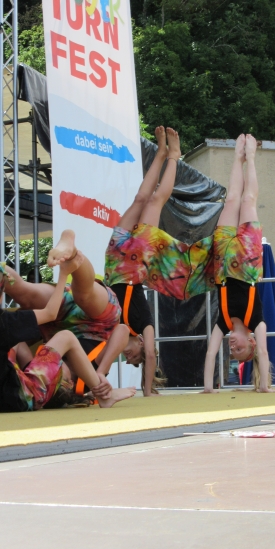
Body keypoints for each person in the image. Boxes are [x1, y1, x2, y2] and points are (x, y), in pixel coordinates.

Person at [104, 127, 214, 396]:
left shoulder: (114, 331)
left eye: (127, 358)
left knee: (140, 199)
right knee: (155, 201)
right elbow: (152, 356)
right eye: (133, 356)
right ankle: (173, 155)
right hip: (137, 262)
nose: (127, 356)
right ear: (142, 345)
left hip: (114, 261)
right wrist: (147, 388)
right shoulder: (144, 323)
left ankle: (161, 152)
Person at [1, 231, 127, 399]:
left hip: (53, 319)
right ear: (71, 382)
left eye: (54, 379)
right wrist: (101, 373)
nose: (57, 372)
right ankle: (72, 252)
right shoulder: (92, 375)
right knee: (84, 295)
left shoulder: (36, 371)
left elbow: (17, 342)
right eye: (64, 380)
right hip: (98, 324)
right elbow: (123, 331)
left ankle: (69, 255)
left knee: (25, 294)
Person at [203, 134, 273, 393]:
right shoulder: (257, 321)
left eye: (232, 350)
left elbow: (210, 353)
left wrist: (208, 389)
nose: (232, 346)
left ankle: (237, 156)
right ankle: (250, 157)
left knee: (232, 199)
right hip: (247, 260)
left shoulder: (223, 323)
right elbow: (264, 353)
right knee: (247, 201)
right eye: (240, 348)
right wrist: (264, 387)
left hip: (223, 260)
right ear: (251, 342)